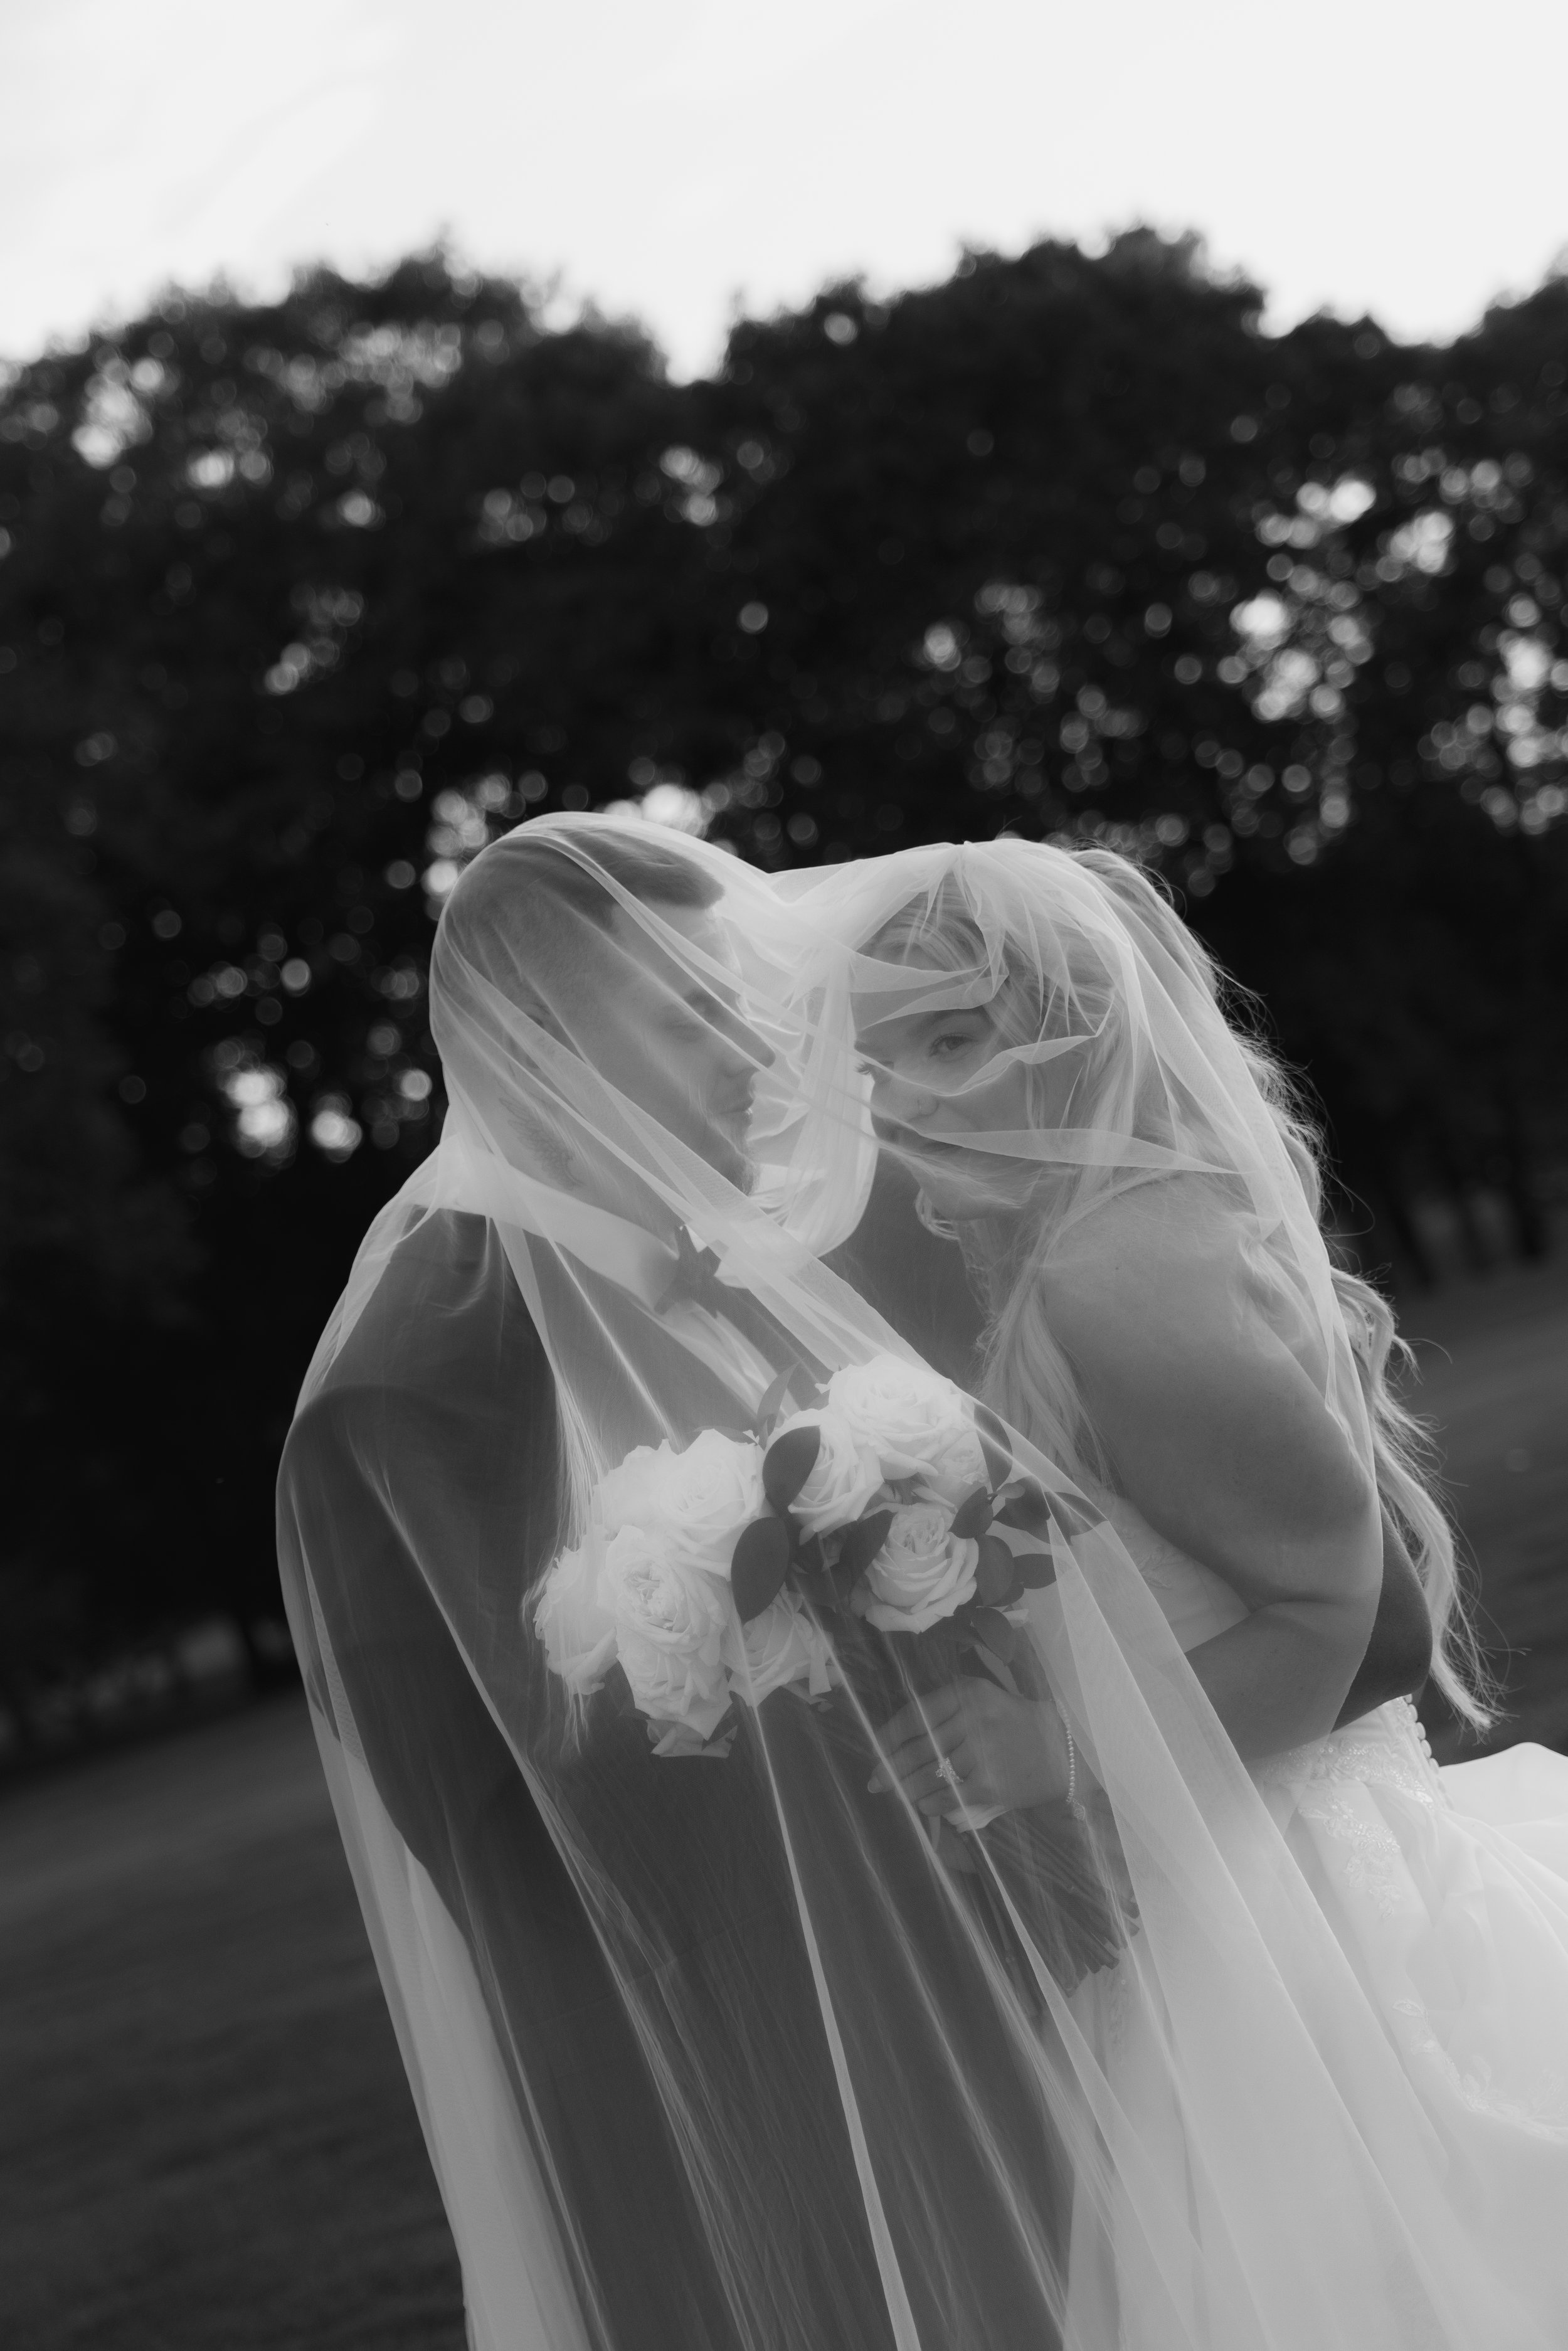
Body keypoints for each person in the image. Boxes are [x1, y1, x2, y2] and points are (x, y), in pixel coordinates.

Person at [281, 815, 1501, 2351]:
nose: (762, 1049)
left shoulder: (760, 1260)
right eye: (691, 1012)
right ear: (544, 1047)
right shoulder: (414, 1380)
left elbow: (1310, 1596)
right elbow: (523, 1864)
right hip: (801, 2046)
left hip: (1107, 1953)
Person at [788, 836, 1568, 2345]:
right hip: (1226, 1887)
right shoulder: (1078, 1245)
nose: (912, 1096)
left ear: (1078, 1029)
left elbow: (1363, 1619)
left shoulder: (1112, 1262)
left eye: (957, 1034)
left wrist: (1060, 1759)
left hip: (1301, 1908)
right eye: (879, 1055)